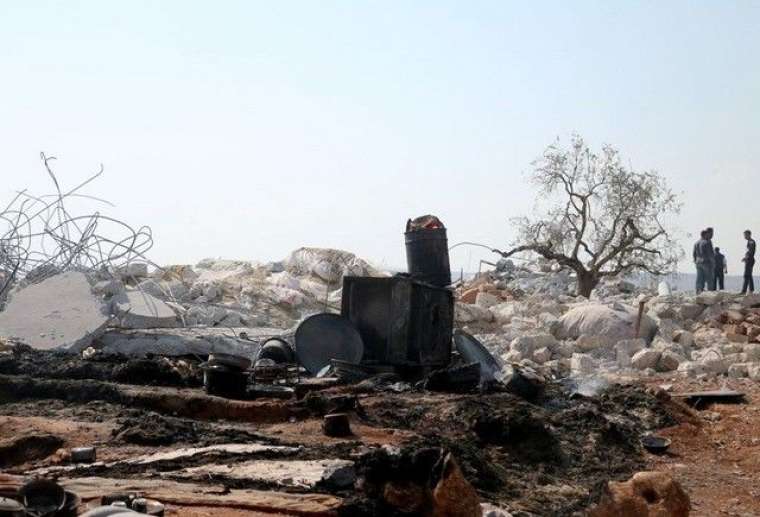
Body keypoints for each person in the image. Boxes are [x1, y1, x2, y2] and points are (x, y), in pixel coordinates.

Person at [741, 230, 756, 294]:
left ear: (749, 234)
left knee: (746, 275)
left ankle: (743, 291)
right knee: (749, 275)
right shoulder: (749, 242)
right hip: (749, 259)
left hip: (750, 260)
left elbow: (751, 252)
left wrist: (746, 258)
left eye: (745, 235)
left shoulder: (751, 242)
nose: (744, 236)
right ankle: (751, 289)